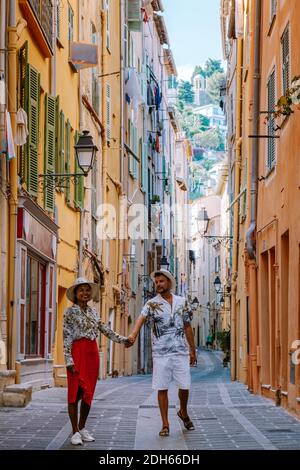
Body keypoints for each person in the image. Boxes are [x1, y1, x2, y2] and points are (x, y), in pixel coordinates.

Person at [126, 269, 197, 437]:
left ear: (169, 283)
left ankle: (183, 412)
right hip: (161, 353)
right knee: (162, 387)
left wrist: (192, 350)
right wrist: (133, 335)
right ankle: (165, 423)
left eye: (161, 281)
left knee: (185, 386)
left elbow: (187, 326)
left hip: (181, 351)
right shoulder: (151, 304)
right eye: (156, 282)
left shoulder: (182, 302)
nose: (158, 284)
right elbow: (141, 319)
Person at [63, 277, 129, 446]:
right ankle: (74, 431)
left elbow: (105, 329)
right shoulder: (70, 312)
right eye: (81, 290)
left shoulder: (93, 312)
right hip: (77, 353)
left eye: (87, 290)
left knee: (88, 394)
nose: (85, 293)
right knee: (74, 393)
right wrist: (68, 359)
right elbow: (66, 336)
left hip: (92, 353)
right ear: (76, 294)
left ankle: (83, 428)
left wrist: (124, 340)